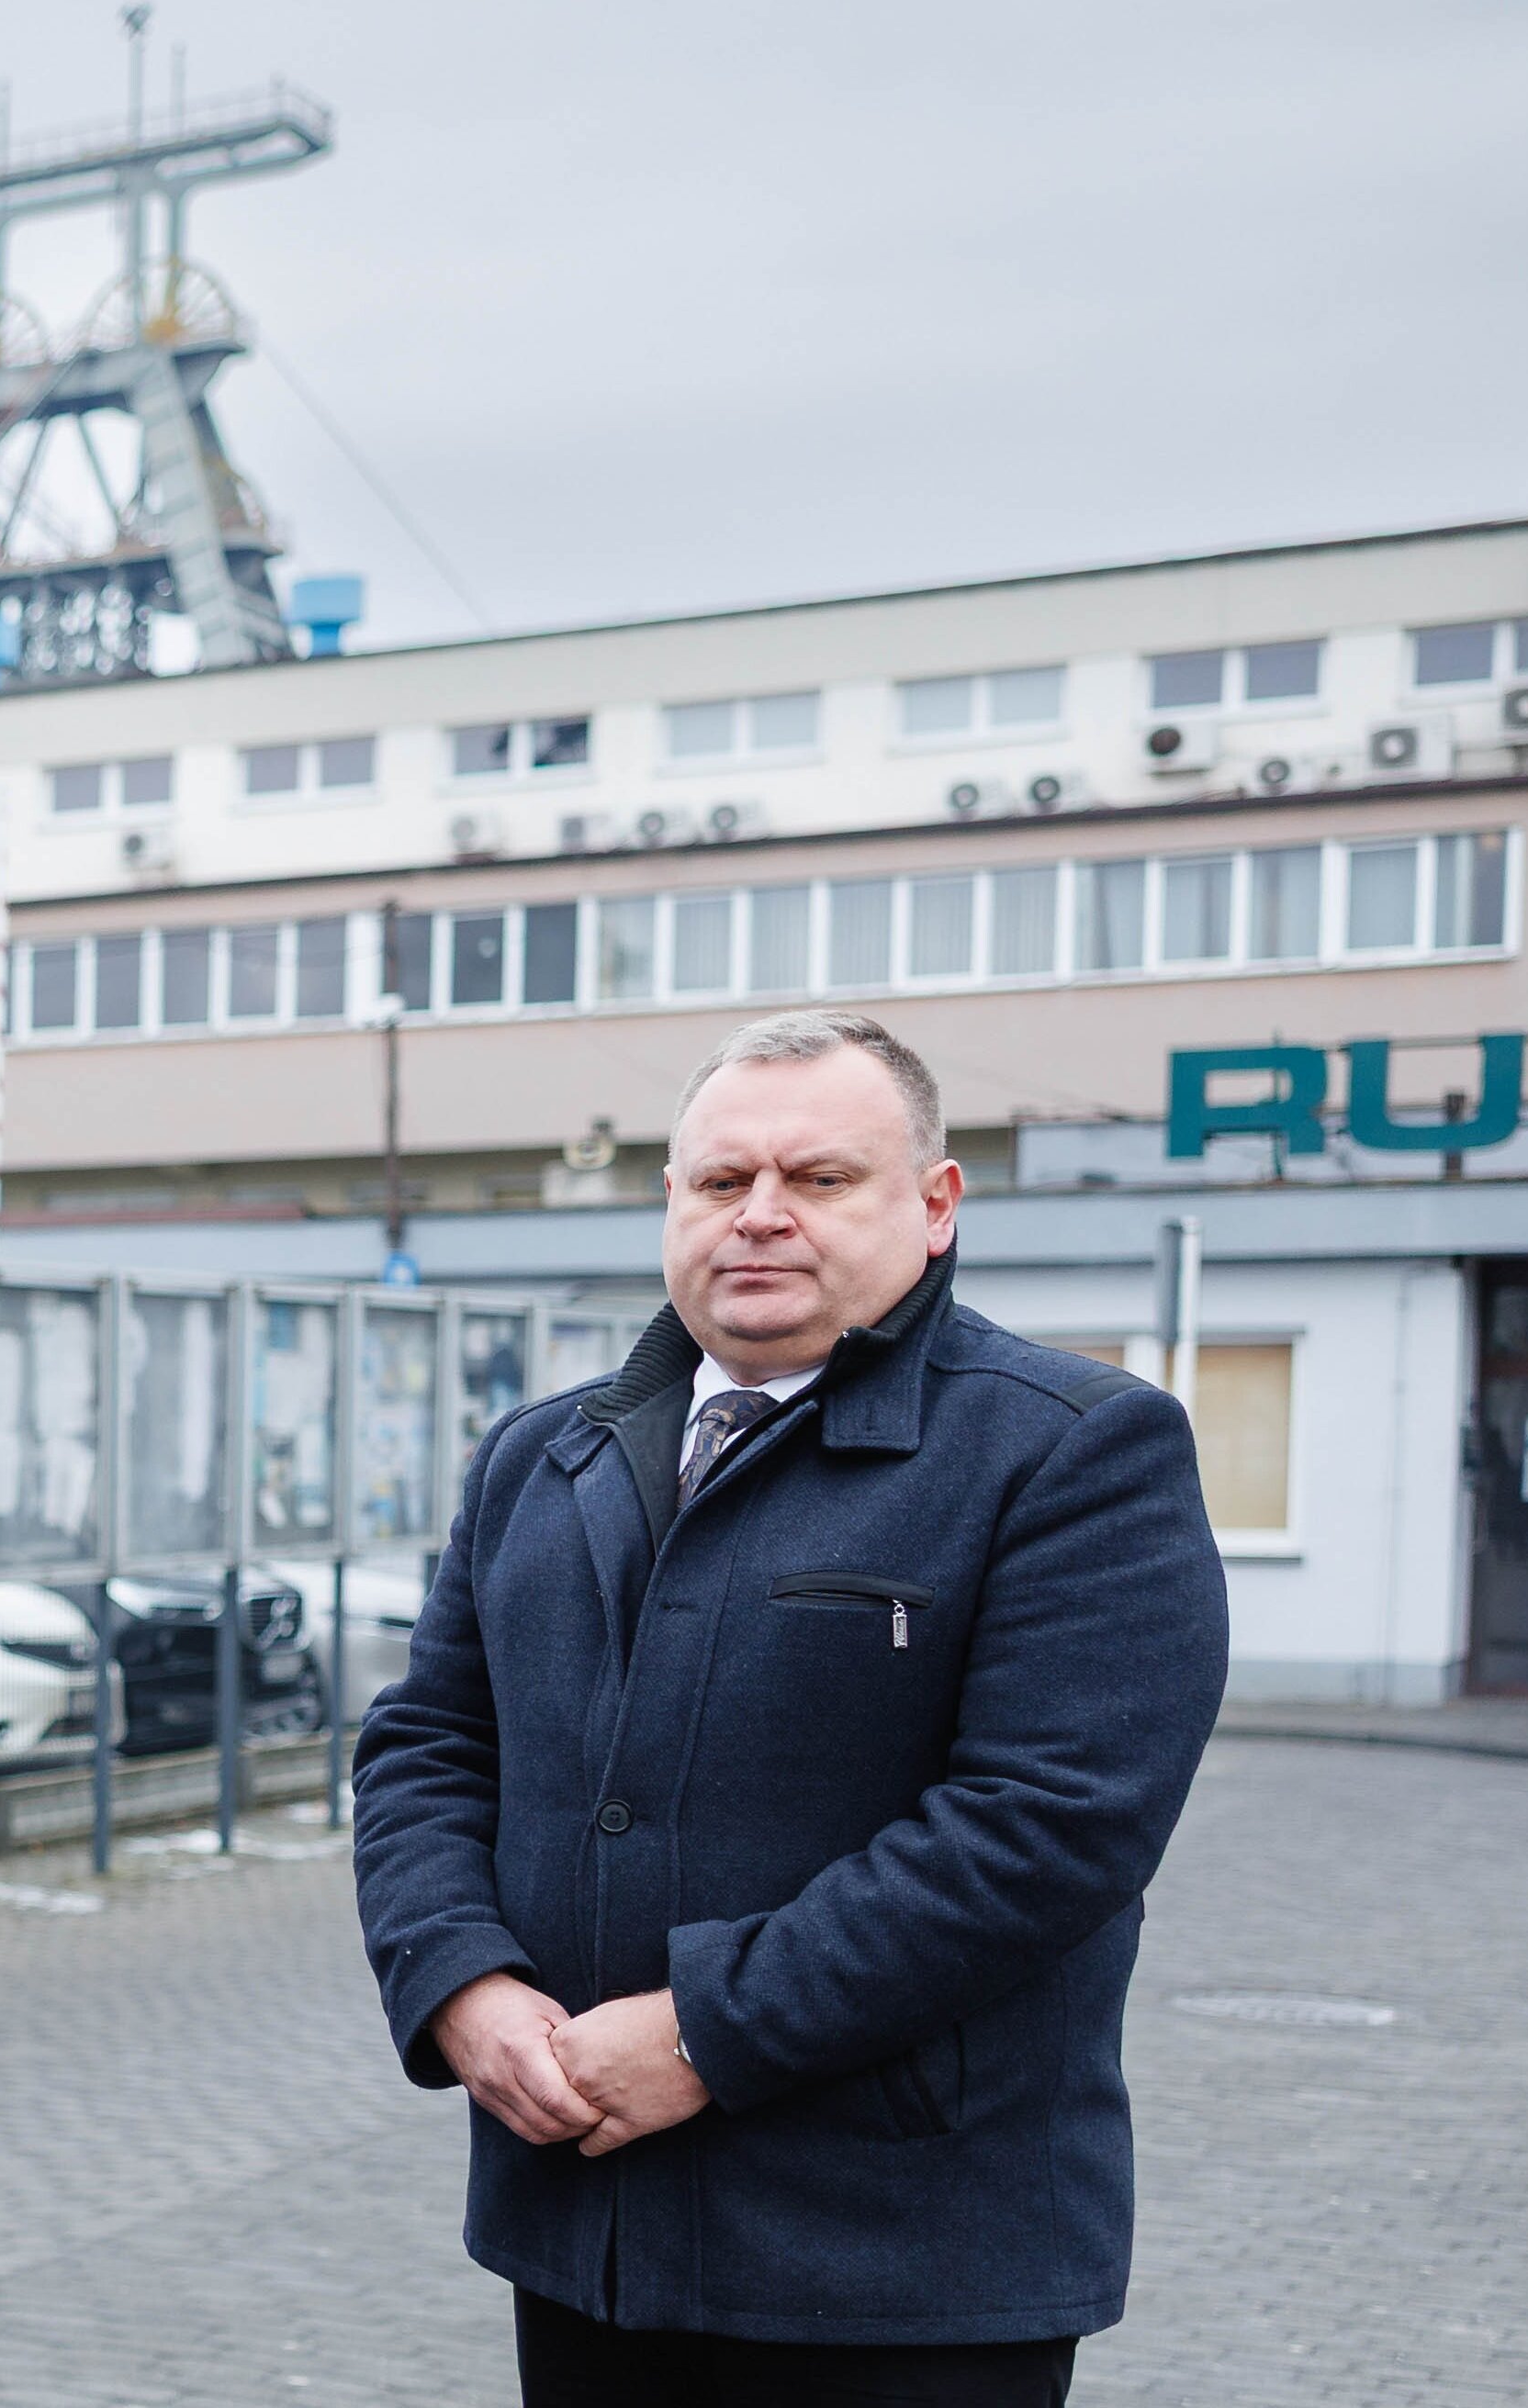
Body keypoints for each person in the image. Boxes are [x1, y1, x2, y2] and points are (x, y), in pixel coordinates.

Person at [352, 1012, 1225, 2407]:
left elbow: (1047, 1826)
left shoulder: (1071, 1449)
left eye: (820, 1178)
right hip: (591, 2233)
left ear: (935, 1206)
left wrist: (709, 2027)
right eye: (718, 1180)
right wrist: (457, 1978)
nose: (759, 1215)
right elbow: (427, 1745)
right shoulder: (539, 1454)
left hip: (900, 2265)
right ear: (670, 1206)